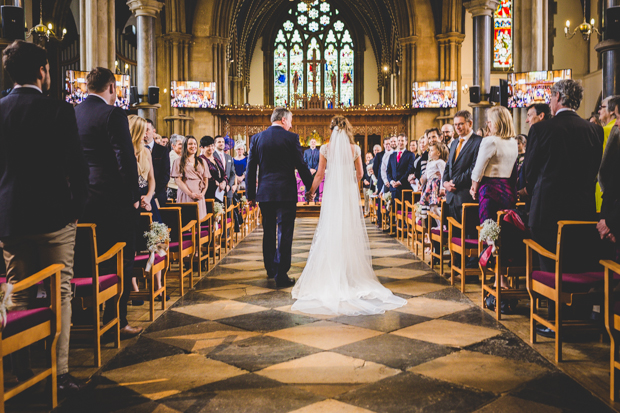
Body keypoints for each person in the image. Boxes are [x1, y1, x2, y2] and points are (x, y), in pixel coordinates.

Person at [0, 40, 89, 395]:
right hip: (55, 218)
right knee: (60, 292)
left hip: (11, 220)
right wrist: (74, 211)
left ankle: (19, 370)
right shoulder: (59, 111)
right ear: (42, 70)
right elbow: (78, 169)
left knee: (17, 294)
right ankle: (60, 372)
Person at [291, 116, 407, 315]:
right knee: (348, 229)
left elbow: (319, 174)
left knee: (331, 228)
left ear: (331, 131)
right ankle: (349, 274)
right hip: (347, 194)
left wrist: (310, 191)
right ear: (348, 130)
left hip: (332, 195)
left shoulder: (325, 149)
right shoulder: (355, 149)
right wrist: (351, 183)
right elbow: (360, 174)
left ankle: (331, 273)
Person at [75, 67, 143, 340]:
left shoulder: (73, 113)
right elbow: (125, 158)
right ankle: (117, 321)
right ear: (112, 87)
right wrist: (134, 196)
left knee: (84, 259)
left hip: (82, 199)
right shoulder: (113, 114)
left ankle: (83, 321)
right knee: (123, 258)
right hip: (113, 201)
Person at [523, 79, 603, 272]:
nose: (550, 102)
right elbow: (595, 168)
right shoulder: (594, 130)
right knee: (577, 268)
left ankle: (552, 303)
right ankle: (576, 302)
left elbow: (529, 172)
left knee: (551, 272)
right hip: (582, 211)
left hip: (546, 213)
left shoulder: (541, 129)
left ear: (558, 96)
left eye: (551, 97)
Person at [246, 108, 313, 287]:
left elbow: (250, 168)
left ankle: (270, 268)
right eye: (290, 121)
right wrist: (311, 188)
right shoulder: (291, 138)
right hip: (286, 193)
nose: (291, 124)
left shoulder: (257, 138)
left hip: (265, 193)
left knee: (268, 230)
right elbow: (301, 165)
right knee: (285, 232)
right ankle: (281, 273)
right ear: (283, 120)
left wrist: (250, 195)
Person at [470, 106, 519, 224]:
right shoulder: (513, 142)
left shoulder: (490, 141)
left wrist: (474, 189)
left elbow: (478, 169)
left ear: (497, 122)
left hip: (490, 190)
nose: (488, 125)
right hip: (507, 189)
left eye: (489, 121)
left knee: (489, 227)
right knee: (504, 225)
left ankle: (489, 243)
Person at [442, 110, 483, 221]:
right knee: (452, 235)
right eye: (455, 125)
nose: (457, 127)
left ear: (470, 123)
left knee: (465, 236)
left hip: (466, 197)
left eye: (460, 124)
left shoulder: (478, 142)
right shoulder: (455, 142)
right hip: (451, 197)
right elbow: (448, 166)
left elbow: (474, 169)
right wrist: (445, 183)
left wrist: (453, 182)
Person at [598, 96, 620, 257]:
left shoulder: (610, 131)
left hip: (607, 196)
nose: (617, 123)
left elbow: (606, 169)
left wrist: (609, 221)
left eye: (618, 118)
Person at [129, 115, 159, 222]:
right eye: (143, 130)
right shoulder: (123, 152)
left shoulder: (146, 151)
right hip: (131, 197)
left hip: (146, 195)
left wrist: (149, 196)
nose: (146, 134)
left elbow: (151, 178)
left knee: (155, 233)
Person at [172, 136, 210, 219]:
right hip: (186, 194)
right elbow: (178, 180)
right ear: (185, 146)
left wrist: (203, 193)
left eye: (194, 144)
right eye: (190, 144)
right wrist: (190, 194)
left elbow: (206, 179)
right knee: (187, 220)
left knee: (199, 220)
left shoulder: (202, 161)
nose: (193, 146)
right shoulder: (178, 161)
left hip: (199, 195)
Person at [597, 95, 619, 211]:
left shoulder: (608, 130)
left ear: (612, 111)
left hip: (604, 186)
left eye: (602, 107)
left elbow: (604, 161)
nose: (599, 110)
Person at [419, 142, 448, 225]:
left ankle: (443, 225)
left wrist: (442, 188)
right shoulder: (430, 162)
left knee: (434, 207)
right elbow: (426, 176)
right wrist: (422, 185)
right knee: (432, 208)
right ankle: (440, 225)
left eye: (432, 150)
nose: (429, 152)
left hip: (436, 185)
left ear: (438, 153)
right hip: (429, 184)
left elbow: (443, 175)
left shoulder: (440, 162)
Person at [144, 119, 170, 208]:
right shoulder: (134, 150)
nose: (145, 133)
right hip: (140, 195)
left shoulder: (162, 150)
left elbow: (165, 174)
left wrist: (152, 192)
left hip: (158, 194)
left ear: (153, 131)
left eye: (147, 129)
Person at [387, 134, 415, 213]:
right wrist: (391, 181)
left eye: (402, 140)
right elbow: (388, 171)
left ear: (406, 142)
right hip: (394, 188)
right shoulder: (392, 156)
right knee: (395, 212)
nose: (400, 142)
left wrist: (400, 182)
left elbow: (409, 170)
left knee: (404, 212)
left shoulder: (410, 155)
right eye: (399, 140)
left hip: (404, 187)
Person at [200, 136, 227, 203]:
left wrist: (224, 182)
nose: (211, 148)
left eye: (212, 146)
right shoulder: (200, 160)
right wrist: (215, 182)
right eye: (208, 146)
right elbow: (201, 175)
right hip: (208, 191)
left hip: (219, 191)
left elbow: (224, 174)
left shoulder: (216, 159)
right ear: (202, 148)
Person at [214, 135, 237, 206]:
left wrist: (229, 185)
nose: (221, 143)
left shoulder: (229, 157)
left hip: (228, 191)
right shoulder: (212, 156)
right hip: (217, 190)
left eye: (223, 142)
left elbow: (233, 173)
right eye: (219, 142)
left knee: (229, 214)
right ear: (214, 144)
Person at [167, 134, 185, 200]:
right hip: (174, 189)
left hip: (181, 187)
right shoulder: (172, 157)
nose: (182, 146)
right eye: (180, 144)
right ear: (173, 145)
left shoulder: (181, 157)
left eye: (183, 144)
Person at [362, 152, 374, 217]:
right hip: (365, 184)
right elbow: (362, 175)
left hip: (372, 184)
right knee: (366, 199)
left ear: (372, 157)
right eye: (367, 157)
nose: (368, 158)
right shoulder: (363, 165)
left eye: (369, 157)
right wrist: (364, 180)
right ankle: (366, 212)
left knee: (372, 200)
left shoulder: (374, 164)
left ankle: (373, 213)